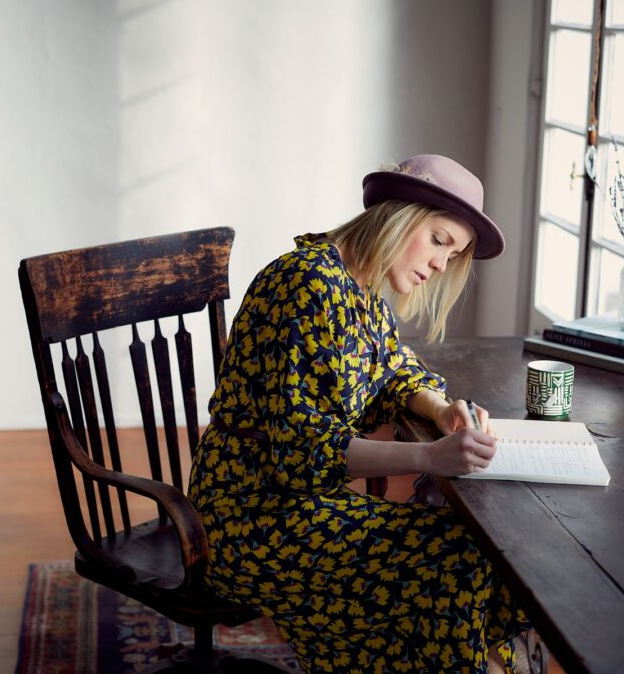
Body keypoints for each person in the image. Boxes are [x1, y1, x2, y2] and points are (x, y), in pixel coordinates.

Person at [187, 154, 531, 673]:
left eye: (453, 254)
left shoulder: (358, 285)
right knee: (454, 560)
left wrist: (440, 408)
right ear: (399, 215)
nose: (442, 265)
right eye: (440, 240)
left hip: (297, 501)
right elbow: (303, 452)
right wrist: (428, 456)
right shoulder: (307, 285)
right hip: (250, 514)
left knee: (477, 553)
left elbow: (392, 366)